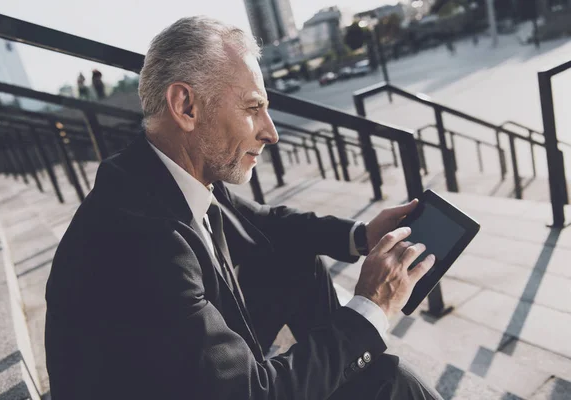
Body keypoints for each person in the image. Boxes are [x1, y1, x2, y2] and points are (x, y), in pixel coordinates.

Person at [45, 16, 442, 400]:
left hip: (179, 376)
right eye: (253, 109)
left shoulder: (162, 174)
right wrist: (369, 309)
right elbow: (249, 394)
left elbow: (270, 224)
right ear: (185, 106)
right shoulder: (143, 239)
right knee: (391, 383)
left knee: (292, 259)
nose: (270, 132)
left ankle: (343, 374)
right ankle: (352, 373)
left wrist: (362, 236)